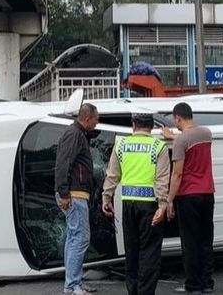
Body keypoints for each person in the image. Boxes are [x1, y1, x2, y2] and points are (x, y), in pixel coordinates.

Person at [102, 113, 170, 295]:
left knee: (131, 251)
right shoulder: (159, 146)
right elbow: (162, 180)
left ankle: (133, 291)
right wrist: (163, 206)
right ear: (151, 127)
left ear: (133, 126)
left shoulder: (121, 145)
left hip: (128, 204)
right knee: (150, 252)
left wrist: (106, 198)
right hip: (149, 205)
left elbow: (112, 175)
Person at [163, 102, 215, 294]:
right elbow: (189, 138)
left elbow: (176, 174)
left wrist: (169, 200)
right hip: (207, 194)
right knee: (205, 240)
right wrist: (174, 136)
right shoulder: (206, 133)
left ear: (177, 118)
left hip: (188, 196)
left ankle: (193, 285)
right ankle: (207, 283)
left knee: (190, 242)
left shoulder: (180, 141)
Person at [55, 103, 100, 295]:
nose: (97, 123)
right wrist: (64, 192)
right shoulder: (74, 134)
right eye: (96, 119)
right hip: (74, 194)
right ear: (87, 118)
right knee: (80, 239)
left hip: (74, 193)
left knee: (73, 238)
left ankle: (73, 281)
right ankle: (72, 285)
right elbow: (63, 163)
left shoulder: (77, 134)